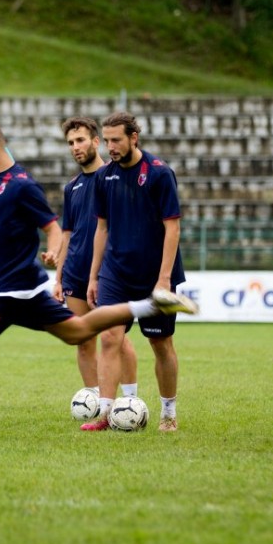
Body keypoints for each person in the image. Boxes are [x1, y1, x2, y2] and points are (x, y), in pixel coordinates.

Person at [0, 115, 198, 435]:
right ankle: (138, 334)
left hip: (13, 294)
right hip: (41, 284)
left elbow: (55, 228)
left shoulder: (24, 186)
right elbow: (2, 233)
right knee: (87, 334)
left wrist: (58, 252)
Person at [82, 112, 187, 433]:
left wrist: (165, 278)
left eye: (117, 140)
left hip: (155, 275)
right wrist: (94, 276)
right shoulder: (104, 177)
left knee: (161, 344)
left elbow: (173, 227)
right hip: (116, 273)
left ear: (133, 138)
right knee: (110, 337)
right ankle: (106, 412)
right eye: (108, 140)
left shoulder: (159, 174)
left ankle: (168, 413)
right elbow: (101, 228)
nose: (111, 146)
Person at [52, 117, 138, 396]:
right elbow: (67, 234)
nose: (75, 147)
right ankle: (93, 397)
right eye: (70, 143)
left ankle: (129, 401)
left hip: (107, 272)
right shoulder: (72, 186)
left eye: (80, 140)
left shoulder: (115, 177)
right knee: (82, 339)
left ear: (96, 141)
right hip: (75, 271)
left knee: (116, 337)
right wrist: (58, 276)